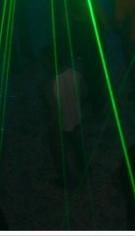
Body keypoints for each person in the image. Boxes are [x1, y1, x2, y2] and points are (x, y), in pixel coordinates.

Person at [40, 44, 89, 189]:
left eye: (43, 59)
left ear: (49, 61)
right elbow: (85, 94)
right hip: (77, 119)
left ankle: (67, 181)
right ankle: (83, 168)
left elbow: (54, 112)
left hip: (61, 126)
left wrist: (53, 128)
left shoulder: (49, 85)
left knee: (59, 154)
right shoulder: (75, 74)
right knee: (78, 145)